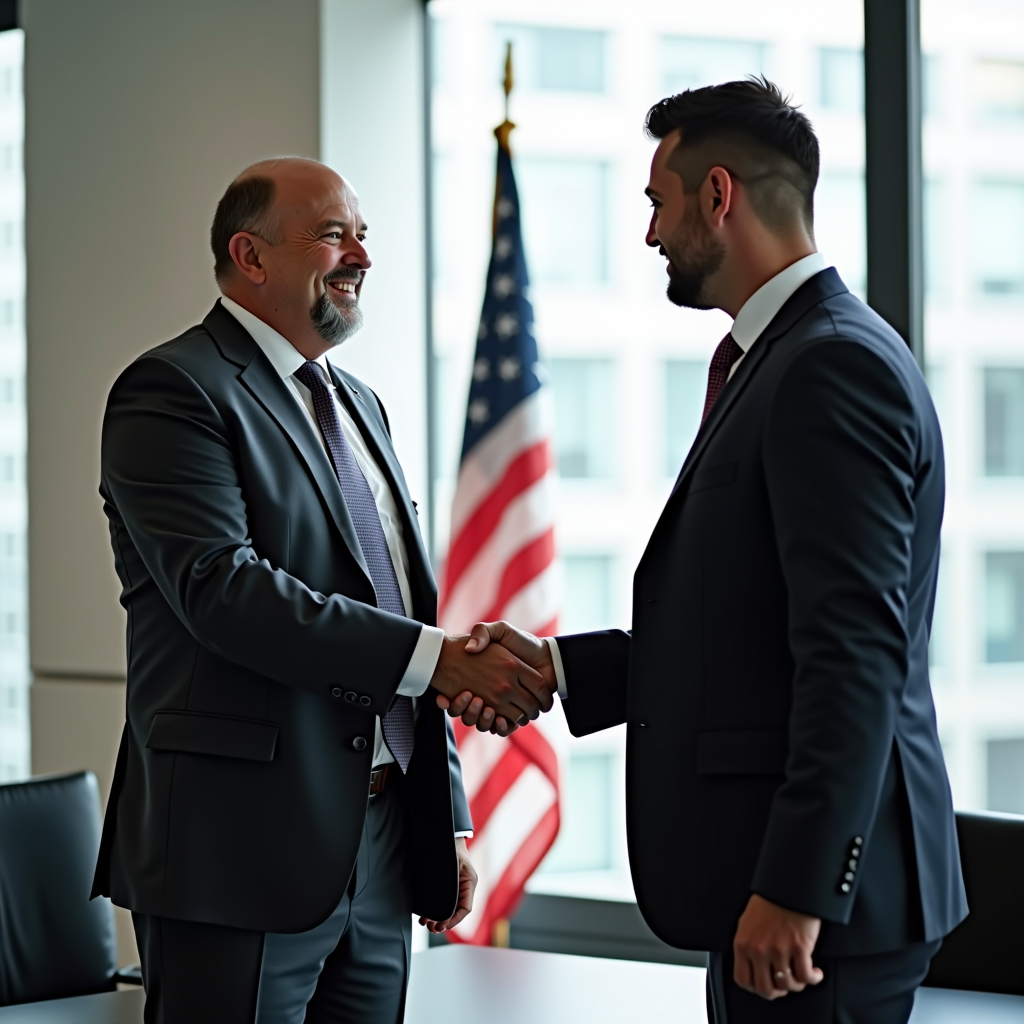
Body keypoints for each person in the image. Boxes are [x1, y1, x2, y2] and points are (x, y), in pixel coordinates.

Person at [446, 79, 967, 1024]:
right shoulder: (778, 360)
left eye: (657, 201)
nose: (649, 235)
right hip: (769, 894)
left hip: (815, 915)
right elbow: (750, 640)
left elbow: (855, 654)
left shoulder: (830, 367)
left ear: (717, 196)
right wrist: (563, 669)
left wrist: (800, 887)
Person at [92, 157, 554, 1024]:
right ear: (250, 256)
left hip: (380, 847)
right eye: (334, 235)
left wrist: (442, 815)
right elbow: (223, 590)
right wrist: (441, 663)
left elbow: (403, 609)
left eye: (364, 236)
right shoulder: (171, 391)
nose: (361, 257)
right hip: (236, 851)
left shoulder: (362, 405)